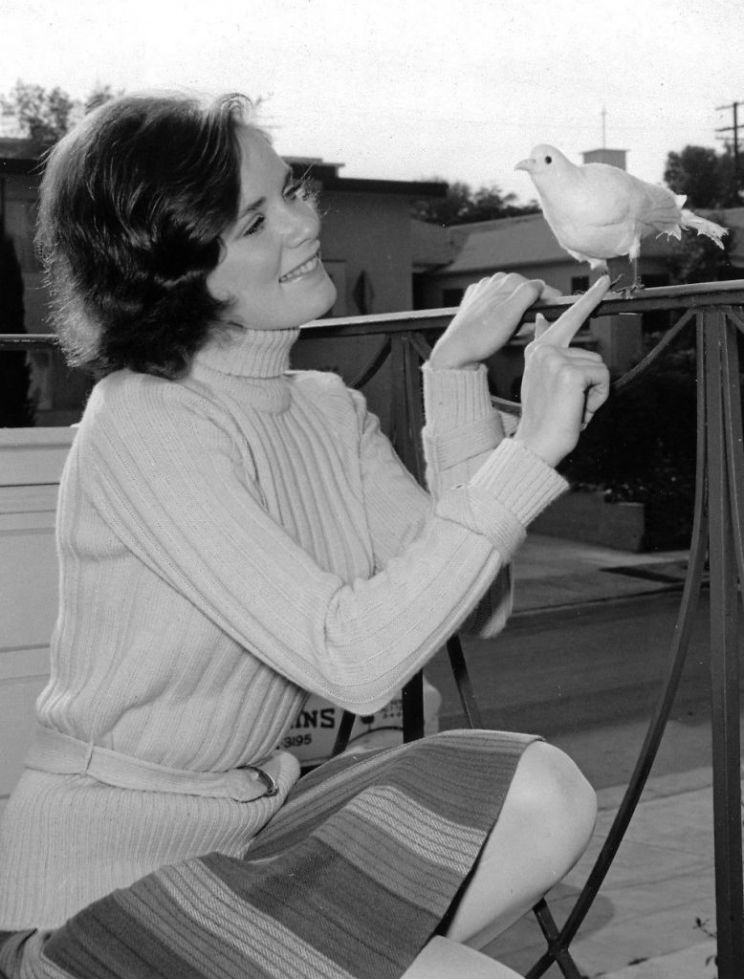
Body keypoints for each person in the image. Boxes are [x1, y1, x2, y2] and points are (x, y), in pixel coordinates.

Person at [0, 92, 611, 979]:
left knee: (545, 793)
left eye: (290, 189)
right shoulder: (142, 418)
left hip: (246, 831)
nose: (303, 222)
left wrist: (455, 377)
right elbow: (352, 658)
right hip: (92, 892)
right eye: (256, 221)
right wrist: (530, 453)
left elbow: (480, 604)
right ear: (177, 275)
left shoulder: (326, 408)